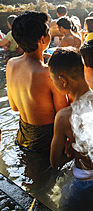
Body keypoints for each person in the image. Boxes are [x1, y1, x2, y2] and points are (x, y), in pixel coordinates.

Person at [48, 47, 93, 211]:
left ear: (62, 80)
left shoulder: (63, 116)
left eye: (52, 79)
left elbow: (55, 162)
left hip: (84, 181)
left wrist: (72, 153)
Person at [6, 11, 69, 156]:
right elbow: (64, 115)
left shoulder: (11, 64)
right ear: (42, 40)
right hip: (46, 144)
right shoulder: (49, 73)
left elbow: (14, 107)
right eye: (48, 32)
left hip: (22, 138)